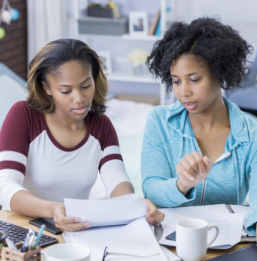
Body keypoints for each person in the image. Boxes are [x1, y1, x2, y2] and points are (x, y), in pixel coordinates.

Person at [0, 39, 164, 232]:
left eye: (86, 85)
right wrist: (54, 209)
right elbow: (5, 186)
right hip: (23, 229)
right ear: (46, 88)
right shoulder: (24, 115)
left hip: (75, 232)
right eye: (66, 91)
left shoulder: (101, 125)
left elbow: (117, 181)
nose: (79, 98)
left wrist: (134, 206)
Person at [141, 17, 257, 244]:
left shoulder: (253, 135)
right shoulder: (159, 121)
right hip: (168, 246)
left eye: (194, 79)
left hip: (227, 247)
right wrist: (183, 182)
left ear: (221, 72)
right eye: (176, 81)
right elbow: (151, 189)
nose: (183, 92)